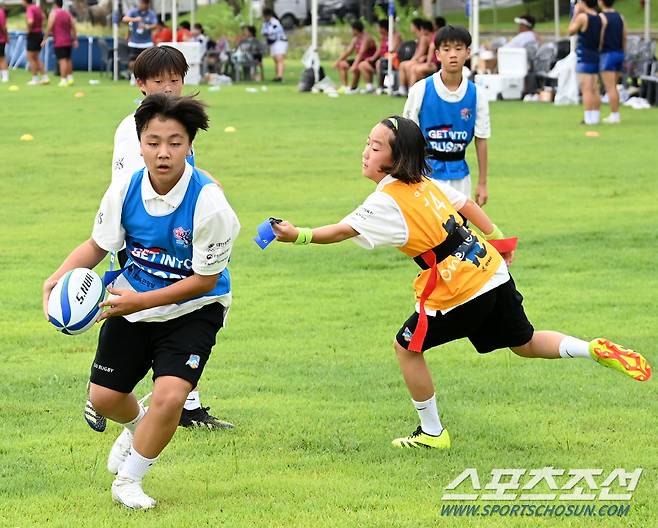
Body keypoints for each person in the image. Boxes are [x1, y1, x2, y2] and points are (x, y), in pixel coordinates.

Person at [271, 115, 652, 449]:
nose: (365, 152)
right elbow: (467, 205)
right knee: (524, 342)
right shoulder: (424, 182)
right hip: (489, 267)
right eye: (367, 145)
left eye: (374, 147)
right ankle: (591, 349)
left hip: (459, 287)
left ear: (395, 159)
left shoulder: (386, 200)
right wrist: (498, 237)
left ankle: (433, 434)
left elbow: (340, 232)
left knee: (406, 347)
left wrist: (297, 234)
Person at [42, 94, 240, 508]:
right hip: (132, 300)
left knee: (169, 396)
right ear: (139, 143)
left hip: (194, 309)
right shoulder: (125, 189)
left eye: (174, 142)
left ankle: (129, 481)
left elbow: (204, 280)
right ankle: (136, 427)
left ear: (189, 145)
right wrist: (58, 277)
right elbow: (99, 245)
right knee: (105, 398)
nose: (163, 152)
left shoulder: (210, 204)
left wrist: (142, 302)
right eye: (153, 142)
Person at [90, 45, 233, 432]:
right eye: (159, 81)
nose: (169, 88)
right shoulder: (134, 126)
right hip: (143, 237)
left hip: (176, 235)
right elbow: (134, 183)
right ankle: (109, 395)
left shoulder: (175, 122)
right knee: (155, 313)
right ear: (140, 84)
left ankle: (181, 403)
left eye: (176, 79)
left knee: (184, 311)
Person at [403, 26, 490, 206]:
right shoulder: (420, 90)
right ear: (437, 54)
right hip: (425, 174)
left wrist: (482, 183)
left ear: (467, 53)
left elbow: (481, 138)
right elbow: (406, 137)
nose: (453, 55)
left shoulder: (477, 95)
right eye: (446, 49)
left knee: (458, 230)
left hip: (460, 176)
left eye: (458, 49)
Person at [569, 0, 602, 125]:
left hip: (585, 55)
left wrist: (575, 13)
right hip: (595, 54)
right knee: (595, 88)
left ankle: (588, 119)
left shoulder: (583, 17)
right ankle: (595, 117)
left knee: (586, 88)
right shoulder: (599, 17)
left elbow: (571, 30)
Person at [598, 0, 626, 124]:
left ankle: (615, 115)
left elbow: (601, 37)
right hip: (619, 53)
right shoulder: (620, 17)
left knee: (610, 88)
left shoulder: (601, 17)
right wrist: (623, 51)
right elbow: (624, 36)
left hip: (607, 54)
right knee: (614, 86)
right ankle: (615, 113)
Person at [358, 18, 401, 94]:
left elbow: (393, 49)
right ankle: (369, 87)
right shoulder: (383, 37)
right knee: (362, 64)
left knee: (379, 63)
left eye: (379, 28)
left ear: (383, 28)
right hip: (381, 59)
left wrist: (386, 54)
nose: (378, 30)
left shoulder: (395, 36)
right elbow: (380, 49)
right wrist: (373, 58)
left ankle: (380, 86)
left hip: (391, 60)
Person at [333, 21, 376, 94]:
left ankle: (353, 88)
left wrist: (354, 65)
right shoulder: (355, 39)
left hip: (368, 60)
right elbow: (348, 52)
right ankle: (344, 87)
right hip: (359, 59)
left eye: (352, 30)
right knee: (342, 64)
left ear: (356, 30)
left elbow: (361, 53)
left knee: (357, 66)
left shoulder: (366, 38)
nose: (351, 32)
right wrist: (338, 61)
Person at [43, 0, 78, 87]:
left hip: (59, 41)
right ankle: (70, 78)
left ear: (55, 4)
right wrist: (74, 39)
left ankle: (63, 79)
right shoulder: (67, 13)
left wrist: (45, 38)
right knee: (68, 59)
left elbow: (50, 26)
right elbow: (73, 27)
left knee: (62, 60)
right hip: (68, 40)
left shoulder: (54, 13)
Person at [407, 16, 447, 88]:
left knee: (415, 69)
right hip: (438, 63)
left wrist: (428, 62)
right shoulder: (444, 34)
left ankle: (412, 91)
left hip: (436, 64)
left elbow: (432, 47)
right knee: (415, 70)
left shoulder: (438, 35)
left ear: (436, 25)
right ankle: (416, 90)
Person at [396, 18, 431, 97]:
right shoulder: (419, 38)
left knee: (408, 65)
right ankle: (402, 88)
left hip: (423, 61)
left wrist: (413, 60)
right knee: (403, 64)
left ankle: (411, 89)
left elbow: (421, 52)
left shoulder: (423, 38)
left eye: (411, 25)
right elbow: (417, 52)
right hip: (420, 59)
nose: (410, 27)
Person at [123, 0, 157, 78]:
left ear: (147, 4)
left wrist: (148, 26)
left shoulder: (151, 13)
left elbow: (155, 25)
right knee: (132, 61)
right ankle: (133, 76)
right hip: (134, 42)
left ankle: (145, 77)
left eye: (143, 3)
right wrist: (135, 19)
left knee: (148, 62)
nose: (141, 5)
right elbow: (124, 19)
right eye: (140, 3)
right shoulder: (134, 12)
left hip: (147, 42)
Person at [22, 0, 48, 85]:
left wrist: (29, 30)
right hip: (39, 33)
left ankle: (35, 78)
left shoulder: (29, 9)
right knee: (36, 58)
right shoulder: (37, 8)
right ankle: (45, 77)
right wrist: (41, 27)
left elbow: (30, 21)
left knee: (30, 57)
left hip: (33, 34)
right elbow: (44, 17)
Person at [261, 7, 286, 82]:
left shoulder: (274, 22)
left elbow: (277, 30)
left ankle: (280, 75)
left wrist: (269, 32)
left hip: (279, 41)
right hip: (272, 42)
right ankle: (277, 75)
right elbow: (263, 32)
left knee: (279, 58)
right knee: (275, 59)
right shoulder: (266, 23)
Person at [0, 3, 9, 83]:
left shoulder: (1, 12)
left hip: (1, 39)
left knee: (1, 58)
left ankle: (5, 76)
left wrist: (6, 37)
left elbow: (3, 27)